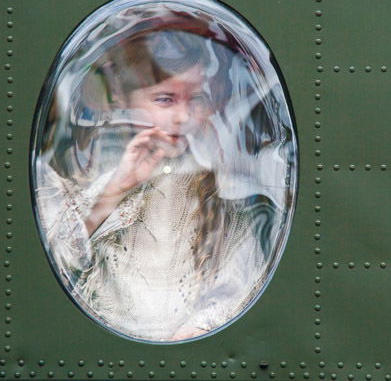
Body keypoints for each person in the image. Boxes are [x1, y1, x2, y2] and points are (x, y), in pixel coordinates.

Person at [36, 28, 283, 342]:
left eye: (196, 100)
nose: (182, 116)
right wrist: (113, 191)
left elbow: (237, 280)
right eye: (165, 99)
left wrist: (193, 333)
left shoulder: (223, 192)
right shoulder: (76, 178)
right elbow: (56, 266)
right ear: (124, 101)